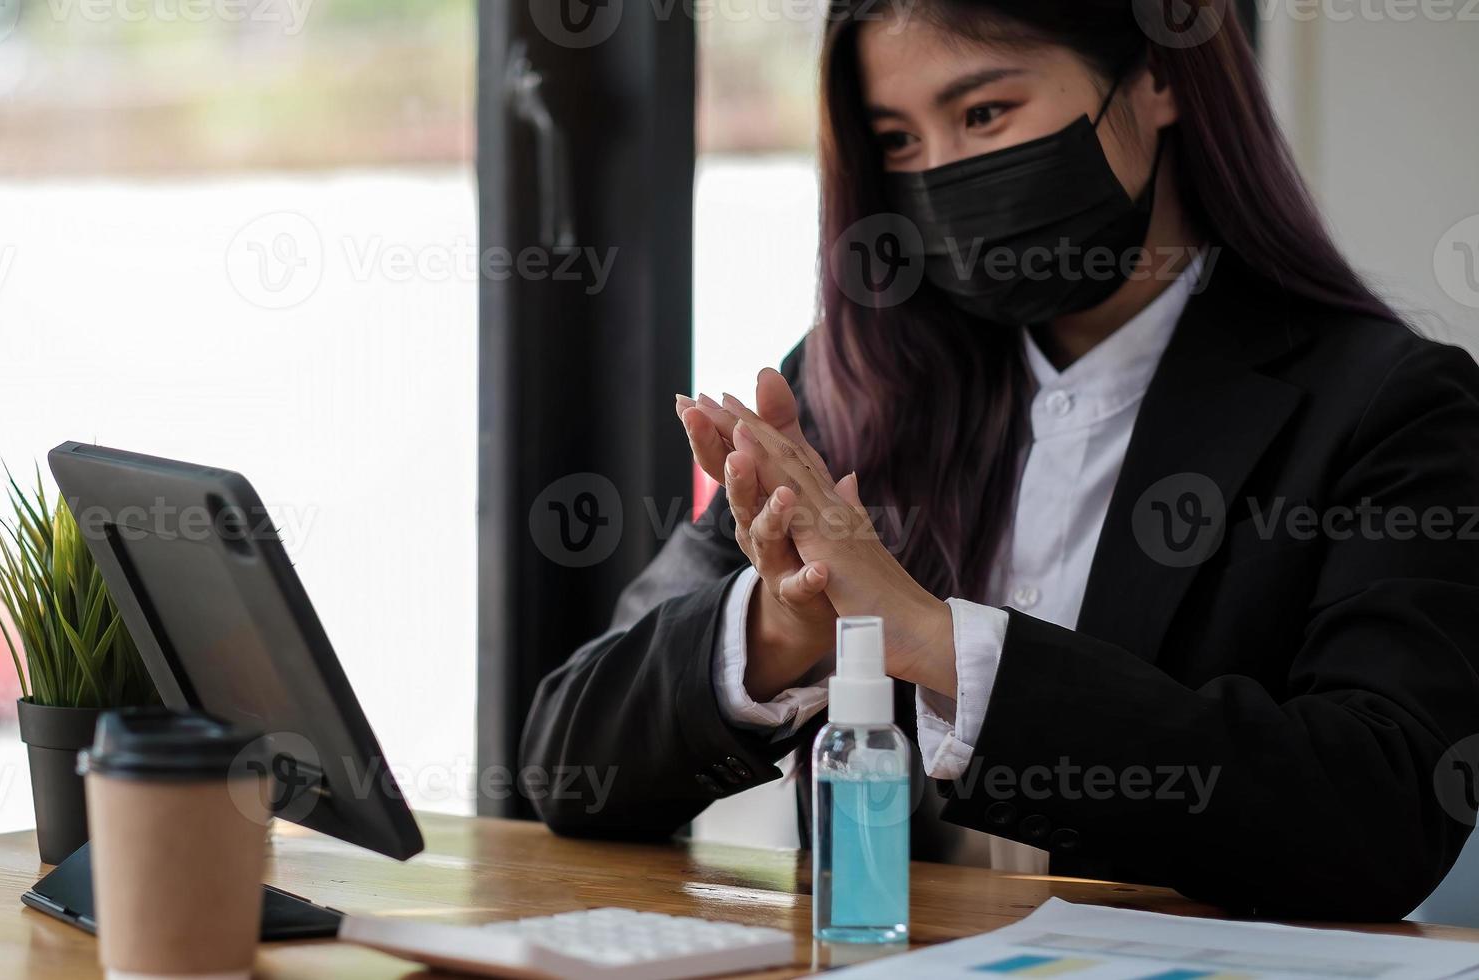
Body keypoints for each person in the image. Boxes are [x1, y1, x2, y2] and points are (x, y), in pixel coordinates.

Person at [519, 0, 1479, 920]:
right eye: (897, 141)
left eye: (984, 112)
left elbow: (1384, 817)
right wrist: (783, 620)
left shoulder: (1389, 405)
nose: (940, 174)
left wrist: (933, 641)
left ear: (1156, 78)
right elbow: (566, 760)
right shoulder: (849, 382)